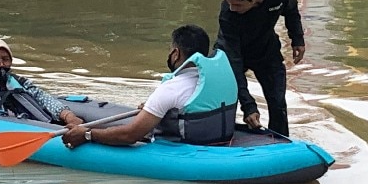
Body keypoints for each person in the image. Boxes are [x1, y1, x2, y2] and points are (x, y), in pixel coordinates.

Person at [61, 24, 237, 148]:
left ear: (175, 54)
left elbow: (130, 135)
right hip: (219, 139)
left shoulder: (171, 88)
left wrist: (87, 134)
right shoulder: (224, 78)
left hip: (182, 148)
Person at [215, 0, 305, 135]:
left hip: (266, 50)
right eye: (229, 3)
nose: (232, 8)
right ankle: (223, 137)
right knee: (224, 99)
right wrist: (249, 106)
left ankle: (281, 144)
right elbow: (234, 62)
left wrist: (297, 38)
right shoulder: (228, 15)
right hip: (232, 53)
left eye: (238, 5)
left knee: (278, 103)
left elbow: (291, 9)